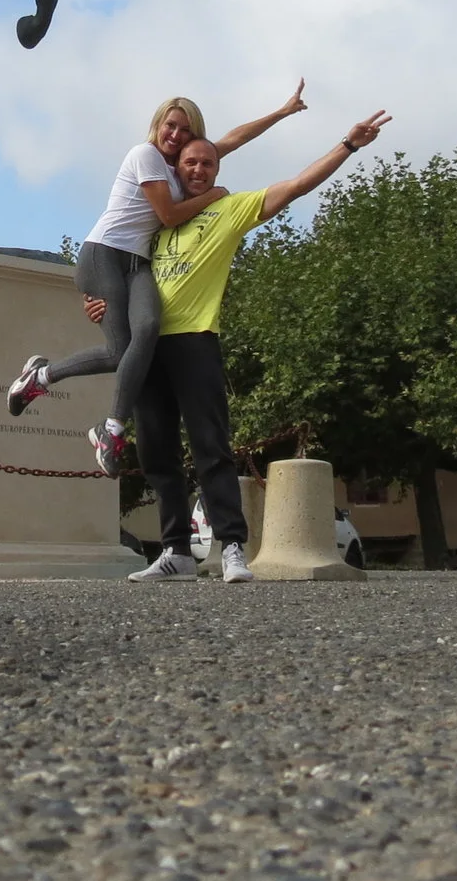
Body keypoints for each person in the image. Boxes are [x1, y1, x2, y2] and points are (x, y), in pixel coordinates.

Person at [107, 108, 392, 583]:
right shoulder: (158, 217)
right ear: (176, 168)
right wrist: (99, 301)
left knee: (210, 446)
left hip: (195, 338)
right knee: (155, 451)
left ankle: (233, 547)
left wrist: (348, 144)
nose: (199, 170)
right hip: (147, 344)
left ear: (218, 169)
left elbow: (296, 185)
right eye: (191, 163)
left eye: (208, 164)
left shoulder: (230, 208)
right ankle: (176, 551)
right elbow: (119, 265)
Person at [5, 86, 308, 478]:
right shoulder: (145, 155)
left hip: (138, 265)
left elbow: (233, 139)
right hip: (104, 255)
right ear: (158, 125)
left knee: (149, 327)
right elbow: (168, 215)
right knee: (120, 351)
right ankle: (71, 399)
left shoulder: (181, 165)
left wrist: (281, 112)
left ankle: (93, 416)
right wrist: (215, 194)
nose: (177, 135)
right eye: (171, 125)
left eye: (186, 130)